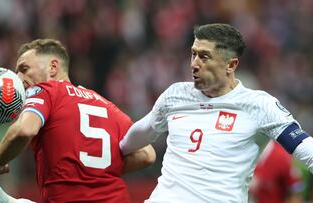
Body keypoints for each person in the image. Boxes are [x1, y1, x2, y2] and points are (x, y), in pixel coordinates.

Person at [119, 23, 313, 202]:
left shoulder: (259, 105)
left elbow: (303, 146)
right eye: (193, 54)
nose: (194, 64)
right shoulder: (175, 95)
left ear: (231, 65)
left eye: (204, 57)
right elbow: (141, 132)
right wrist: (115, 150)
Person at [0, 39, 156, 203]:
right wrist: (94, 170)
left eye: (24, 69)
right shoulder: (107, 105)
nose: (18, 78)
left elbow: (24, 130)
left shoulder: (45, 90)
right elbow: (148, 155)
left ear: (53, 67)